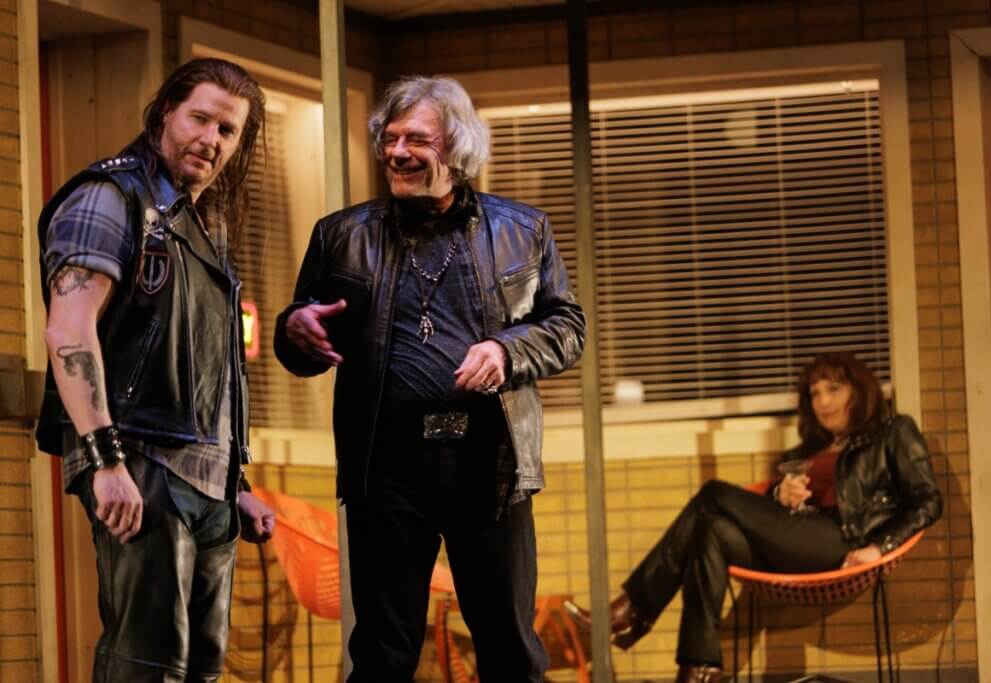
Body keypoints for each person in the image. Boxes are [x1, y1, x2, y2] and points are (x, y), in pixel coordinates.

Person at [273, 75, 586, 681]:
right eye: (389, 139)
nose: (397, 153)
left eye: (416, 139)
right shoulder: (341, 236)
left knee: (510, 650)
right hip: (386, 469)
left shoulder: (523, 230)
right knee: (383, 654)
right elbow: (304, 343)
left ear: (458, 146)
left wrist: (507, 350)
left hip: (490, 464)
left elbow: (567, 327)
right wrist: (292, 328)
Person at [36, 58, 276, 682]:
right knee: (148, 664)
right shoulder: (110, 197)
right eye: (200, 118)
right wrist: (105, 460)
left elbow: (208, 365)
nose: (211, 139)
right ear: (165, 112)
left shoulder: (202, 223)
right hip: (141, 460)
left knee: (202, 668)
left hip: (210, 480)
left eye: (227, 130)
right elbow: (69, 330)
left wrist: (236, 482)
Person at [567, 352, 942, 683]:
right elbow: (778, 514)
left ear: (859, 390)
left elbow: (927, 500)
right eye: (814, 393)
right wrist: (781, 494)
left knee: (713, 495)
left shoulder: (892, 432)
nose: (823, 401)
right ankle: (699, 669)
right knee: (710, 531)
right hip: (802, 538)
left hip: (845, 541)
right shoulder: (806, 451)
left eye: (833, 389)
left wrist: (879, 547)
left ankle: (634, 608)